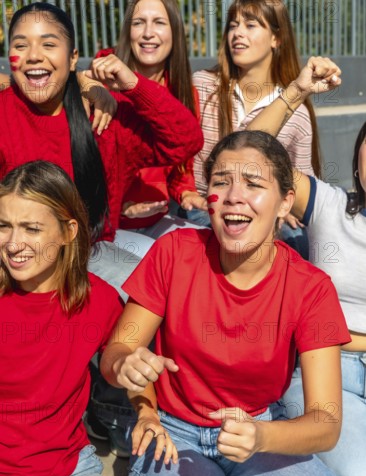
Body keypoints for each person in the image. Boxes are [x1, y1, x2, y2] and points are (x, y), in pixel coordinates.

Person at [98, 59, 366, 476]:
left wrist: (261, 438)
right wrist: (130, 372)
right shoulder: (175, 252)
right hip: (172, 438)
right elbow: (119, 352)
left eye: (254, 184)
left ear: (287, 202)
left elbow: (325, 422)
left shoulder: (309, 287)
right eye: (220, 182)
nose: (233, 197)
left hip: (261, 431)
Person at [0, 160, 191, 476]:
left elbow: (119, 359)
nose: (13, 243)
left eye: (32, 228)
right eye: (4, 225)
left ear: (69, 231)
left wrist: (147, 410)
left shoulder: (98, 298)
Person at [1, 2, 203, 295]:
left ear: (72, 59)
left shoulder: (104, 116)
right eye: (22, 44)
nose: (34, 56)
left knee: (159, 291)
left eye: (48, 44)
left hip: (92, 256)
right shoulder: (5, 112)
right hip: (14, 260)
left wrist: (134, 85)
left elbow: (186, 140)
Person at [245, 55, 366, 476]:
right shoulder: (329, 205)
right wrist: (296, 92)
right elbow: (249, 147)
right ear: (358, 157)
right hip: (331, 369)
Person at [188, 0, 320, 253]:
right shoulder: (203, 85)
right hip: (202, 208)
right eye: (233, 25)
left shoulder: (297, 112)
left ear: (276, 39)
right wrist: (187, 193)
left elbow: (303, 183)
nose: (237, 33)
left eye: (250, 25)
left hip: (257, 212)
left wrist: (285, 207)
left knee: (297, 240)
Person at [92, 0, 207, 247]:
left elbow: (181, 164)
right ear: (127, 31)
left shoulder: (183, 91)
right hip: (110, 225)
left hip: (162, 217)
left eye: (159, 23)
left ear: (175, 31)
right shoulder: (101, 85)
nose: (147, 33)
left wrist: (185, 192)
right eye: (138, 23)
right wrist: (121, 206)